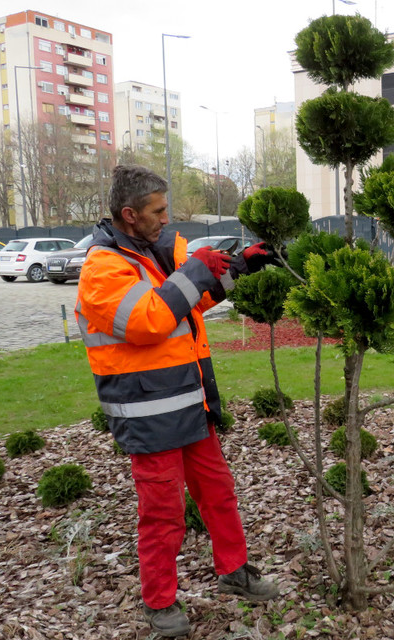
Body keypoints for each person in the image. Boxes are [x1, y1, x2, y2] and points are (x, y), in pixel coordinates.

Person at [76, 164, 279, 637]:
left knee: (219, 493)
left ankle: (234, 571)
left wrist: (241, 266)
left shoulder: (150, 255)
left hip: (189, 403)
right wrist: (192, 272)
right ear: (129, 215)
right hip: (150, 416)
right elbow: (149, 321)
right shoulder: (103, 269)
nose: (167, 218)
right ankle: (160, 603)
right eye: (158, 210)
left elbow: (190, 302)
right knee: (163, 513)